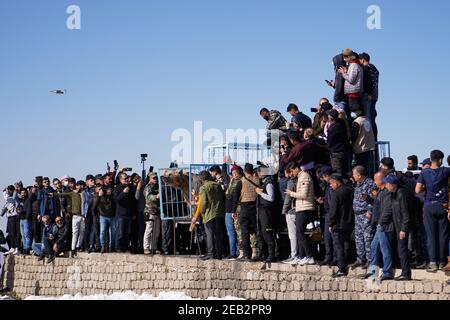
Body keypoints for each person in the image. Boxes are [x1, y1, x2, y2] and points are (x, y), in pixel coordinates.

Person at [415, 150, 450, 272]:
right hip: (443, 206)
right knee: (443, 235)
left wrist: (428, 187)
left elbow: (418, 190)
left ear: (430, 160)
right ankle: (442, 262)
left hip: (429, 206)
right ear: (440, 160)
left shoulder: (424, 173)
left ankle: (433, 262)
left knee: (430, 235)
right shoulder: (446, 171)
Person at [364, 170, 395, 281]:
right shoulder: (379, 192)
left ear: (381, 179)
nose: (374, 181)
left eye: (375, 179)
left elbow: (387, 209)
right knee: (374, 246)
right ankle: (373, 271)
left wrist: (381, 222)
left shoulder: (386, 192)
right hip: (379, 225)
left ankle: (387, 272)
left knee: (385, 248)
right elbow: (376, 205)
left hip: (384, 225)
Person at [285, 162, 317, 265]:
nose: (292, 174)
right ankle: (301, 255)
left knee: (299, 232)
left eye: (292, 171)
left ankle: (309, 255)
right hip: (301, 207)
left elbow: (304, 194)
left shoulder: (304, 176)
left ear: (296, 168)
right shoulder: (301, 176)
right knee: (299, 233)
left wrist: (291, 193)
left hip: (305, 207)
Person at [385, 175, 412, 281]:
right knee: (400, 249)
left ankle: (406, 273)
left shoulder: (401, 194)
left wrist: (403, 229)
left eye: (387, 184)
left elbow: (406, 213)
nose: (386, 186)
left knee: (402, 250)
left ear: (392, 185)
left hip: (402, 226)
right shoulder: (394, 193)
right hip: (397, 225)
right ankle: (405, 272)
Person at [194, 171, 225, 261]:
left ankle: (211, 253)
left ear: (201, 179)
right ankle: (219, 254)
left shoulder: (204, 187)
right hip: (219, 213)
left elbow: (203, 202)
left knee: (210, 234)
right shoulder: (217, 185)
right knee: (218, 234)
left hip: (209, 214)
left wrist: (202, 212)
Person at [328, 174, 355, 278]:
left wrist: (330, 223)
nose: (331, 186)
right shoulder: (350, 190)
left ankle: (342, 268)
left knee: (339, 246)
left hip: (338, 224)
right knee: (347, 244)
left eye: (331, 183)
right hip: (349, 222)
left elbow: (333, 210)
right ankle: (348, 260)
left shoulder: (336, 193)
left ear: (336, 182)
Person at [350, 166, 377, 270]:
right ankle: (360, 259)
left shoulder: (371, 184)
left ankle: (370, 261)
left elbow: (375, 199)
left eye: (354, 174)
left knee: (367, 238)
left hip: (365, 215)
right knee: (359, 238)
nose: (353, 176)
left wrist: (369, 212)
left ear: (359, 175)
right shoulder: (357, 184)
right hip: (357, 215)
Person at [237, 164, 260, 262]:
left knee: (245, 232)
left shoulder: (241, 181)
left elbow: (236, 196)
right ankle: (259, 252)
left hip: (244, 208)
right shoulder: (258, 180)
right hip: (255, 207)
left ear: (245, 171)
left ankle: (246, 254)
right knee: (256, 230)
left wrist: (234, 209)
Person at [254, 166, 277, 263]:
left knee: (267, 233)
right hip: (260, 211)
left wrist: (260, 193)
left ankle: (271, 254)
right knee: (260, 233)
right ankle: (261, 253)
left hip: (266, 211)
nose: (258, 174)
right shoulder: (263, 183)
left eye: (259, 172)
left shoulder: (269, 184)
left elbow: (271, 198)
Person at [56, 181, 84, 257]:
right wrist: (65, 212)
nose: (72, 185)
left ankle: (77, 247)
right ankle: (71, 248)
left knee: (80, 232)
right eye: (70, 183)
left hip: (78, 215)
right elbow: (62, 203)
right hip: (69, 215)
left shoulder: (79, 193)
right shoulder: (67, 192)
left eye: (73, 183)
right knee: (70, 232)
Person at [317, 166, 336, 266]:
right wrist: (324, 200)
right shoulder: (329, 186)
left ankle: (334, 257)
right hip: (327, 213)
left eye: (323, 177)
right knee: (327, 238)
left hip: (332, 214)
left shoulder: (333, 185)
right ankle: (328, 257)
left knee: (333, 237)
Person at [224, 165, 243, 260]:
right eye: (233, 173)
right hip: (228, 210)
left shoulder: (239, 183)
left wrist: (233, 210)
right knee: (231, 232)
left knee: (234, 232)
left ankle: (235, 252)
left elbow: (232, 196)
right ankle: (234, 251)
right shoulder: (231, 182)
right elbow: (224, 174)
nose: (234, 175)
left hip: (233, 210)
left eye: (236, 173)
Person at [359, 52, 379, 140]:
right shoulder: (374, 69)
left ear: (362, 60)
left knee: (367, 118)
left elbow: (370, 83)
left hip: (368, 96)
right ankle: (373, 138)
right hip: (374, 96)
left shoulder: (367, 69)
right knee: (371, 117)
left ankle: (369, 139)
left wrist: (369, 93)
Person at [281, 166, 299, 264]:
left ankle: (294, 255)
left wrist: (284, 211)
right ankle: (297, 254)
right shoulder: (298, 181)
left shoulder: (291, 183)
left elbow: (287, 199)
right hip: (298, 209)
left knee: (292, 234)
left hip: (291, 211)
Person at [338, 49, 363, 115]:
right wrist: (346, 71)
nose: (344, 59)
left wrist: (343, 73)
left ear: (349, 57)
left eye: (345, 57)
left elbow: (351, 79)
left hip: (353, 93)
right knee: (354, 112)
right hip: (354, 93)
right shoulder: (355, 64)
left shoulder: (353, 65)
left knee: (355, 113)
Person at [326, 109, 351, 176]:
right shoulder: (342, 123)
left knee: (337, 174)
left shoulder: (332, 129)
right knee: (346, 172)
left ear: (330, 118)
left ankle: (340, 186)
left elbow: (329, 143)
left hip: (336, 153)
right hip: (345, 151)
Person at [114, 173, 135, 253]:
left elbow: (133, 202)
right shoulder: (117, 188)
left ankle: (125, 248)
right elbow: (117, 200)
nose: (126, 180)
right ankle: (118, 247)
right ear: (120, 179)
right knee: (120, 233)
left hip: (129, 214)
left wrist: (133, 213)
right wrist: (123, 193)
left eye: (127, 178)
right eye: (124, 178)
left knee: (128, 233)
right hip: (121, 214)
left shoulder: (130, 188)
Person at [351, 111, 376, 176]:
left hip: (360, 148)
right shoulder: (367, 119)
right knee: (366, 166)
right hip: (368, 146)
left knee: (360, 167)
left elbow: (354, 136)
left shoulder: (357, 122)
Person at [94, 184, 117, 253]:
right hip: (103, 216)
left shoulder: (112, 196)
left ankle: (111, 247)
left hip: (112, 216)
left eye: (109, 189)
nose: (108, 191)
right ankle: (103, 246)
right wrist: (99, 196)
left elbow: (116, 203)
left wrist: (111, 195)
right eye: (106, 190)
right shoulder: (99, 196)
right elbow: (95, 205)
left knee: (113, 232)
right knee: (102, 231)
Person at [143, 173, 161, 255]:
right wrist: (156, 196)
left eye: (156, 178)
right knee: (149, 230)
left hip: (157, 210)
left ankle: (153, 247)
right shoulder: (148, 187)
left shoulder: (158, 186)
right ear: (150, 179)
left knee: (156, 231)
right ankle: (146, 247)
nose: (155, 179)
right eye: (154, 178)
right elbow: (148, 196)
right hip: (150, 211)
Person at [329, 53, 349, 120]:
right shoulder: (346, 71)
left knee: (341, 119)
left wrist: (336, 98)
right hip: (344, 99)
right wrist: (334, 85)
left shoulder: (340, 72)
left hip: (340, 100)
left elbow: (340, 87)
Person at [83, 175, 100, 253]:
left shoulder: (96, 190)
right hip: (87, 212)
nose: (93, 181)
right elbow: (83, 203)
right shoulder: (84, 192)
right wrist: (83, 214)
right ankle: (86, 246)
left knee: (94, 229)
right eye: (91, 180)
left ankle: (92, 245)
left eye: (93, 180)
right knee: (87, 230)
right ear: (87, 182)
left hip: (95, 212)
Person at [2, 186, 20, 256]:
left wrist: (15, 190)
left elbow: (13, 194)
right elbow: (4, 193)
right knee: (11, 234)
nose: (8, 192)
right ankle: (12, 247)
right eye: (8, 190)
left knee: (15, 233)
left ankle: (17, 248)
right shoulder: (8, 198)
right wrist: (5, 189)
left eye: (10, 190)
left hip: (14, 216)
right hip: (9, 217)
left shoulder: (15, 197)